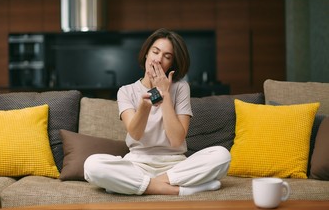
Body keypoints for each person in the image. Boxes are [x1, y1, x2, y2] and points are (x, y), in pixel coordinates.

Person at [84, 28, 231, 196]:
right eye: (155, 52)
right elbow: (135, 134)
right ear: (146, 54)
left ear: (172, 64)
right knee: (92, 165)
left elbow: (176, 140)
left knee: (222, 156)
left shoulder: (181, 88)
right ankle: (179, 190)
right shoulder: (126, 91)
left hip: (174, 165)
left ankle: (136, 185)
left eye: (167, 57)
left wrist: (165, 94)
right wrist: (145, 106)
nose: (159, 59)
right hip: (137, 164)